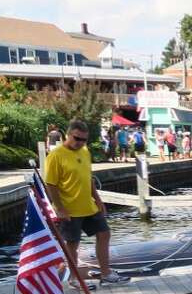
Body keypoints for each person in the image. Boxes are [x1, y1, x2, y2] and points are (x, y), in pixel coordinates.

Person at [43, 120, 128, 285]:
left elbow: (88, 179)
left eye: (84, 140)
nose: (80, 143)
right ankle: (74, 279)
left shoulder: (84, 152)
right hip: (69, 208)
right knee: (72, 243)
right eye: (77, 138)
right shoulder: (56, 155)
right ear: (68, 135)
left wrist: (98, 200)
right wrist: (59, 208)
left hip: (88, 205)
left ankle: (106, 274)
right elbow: (51, 184)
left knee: (104, 233)